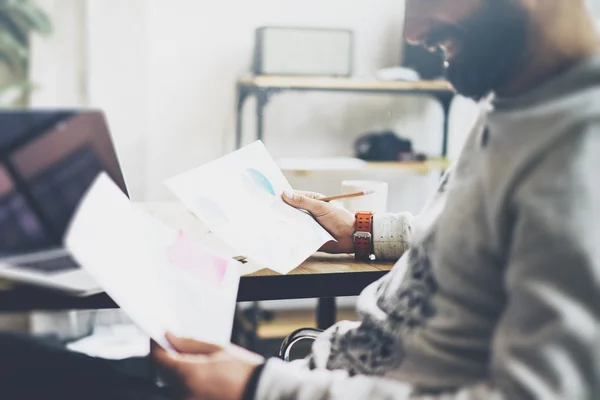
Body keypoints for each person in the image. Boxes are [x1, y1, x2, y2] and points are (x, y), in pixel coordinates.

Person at [1, 0, 599, 399]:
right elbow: (480, 243)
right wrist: (358, 231)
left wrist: (257, 386)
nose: (415, 31)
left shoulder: (582, 150)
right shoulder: (518, 98)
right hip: (316, 364)